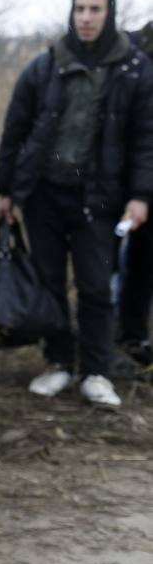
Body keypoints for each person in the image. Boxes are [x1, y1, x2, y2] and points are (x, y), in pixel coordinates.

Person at [0, 0, 153, 409]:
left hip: (101, 199)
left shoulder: (133, 69)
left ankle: (97, 371)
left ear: (109, 13)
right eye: (80, 8)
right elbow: (16, 129)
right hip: (44, 195)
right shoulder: (45, 66)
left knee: (96, 285)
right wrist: (7, 189)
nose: (85, 17)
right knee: (49, 283)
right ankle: (59, 362)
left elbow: (145, 138)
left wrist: (141, 195)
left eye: (94, 9)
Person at [117, 20, 153, 361]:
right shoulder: (126, 50)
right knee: (110, 264)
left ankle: (132, 336)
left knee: (144, 264)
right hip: (116, 179)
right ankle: (117, 336)